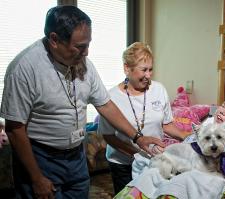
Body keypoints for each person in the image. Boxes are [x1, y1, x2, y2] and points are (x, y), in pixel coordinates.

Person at [0, 6, 164, 199]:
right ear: (54, 40)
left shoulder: (84, 64)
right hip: (41, 158)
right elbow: (15, 128)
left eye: (88, 44)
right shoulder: (24, 68)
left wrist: (138, 137)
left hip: (76, 155)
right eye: (80, 46)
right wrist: (36, 178)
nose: (86, 52)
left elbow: (105, 105)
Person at [98, 42, 190, 194]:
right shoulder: (111, 97)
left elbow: (166, 125)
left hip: (154, 161)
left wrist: (185, 135)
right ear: (127, 68)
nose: (148, 75)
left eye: (151, 70)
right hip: (122, 164)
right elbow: (108, 137)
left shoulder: (159, 89)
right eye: (144, 70)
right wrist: (135, 152)